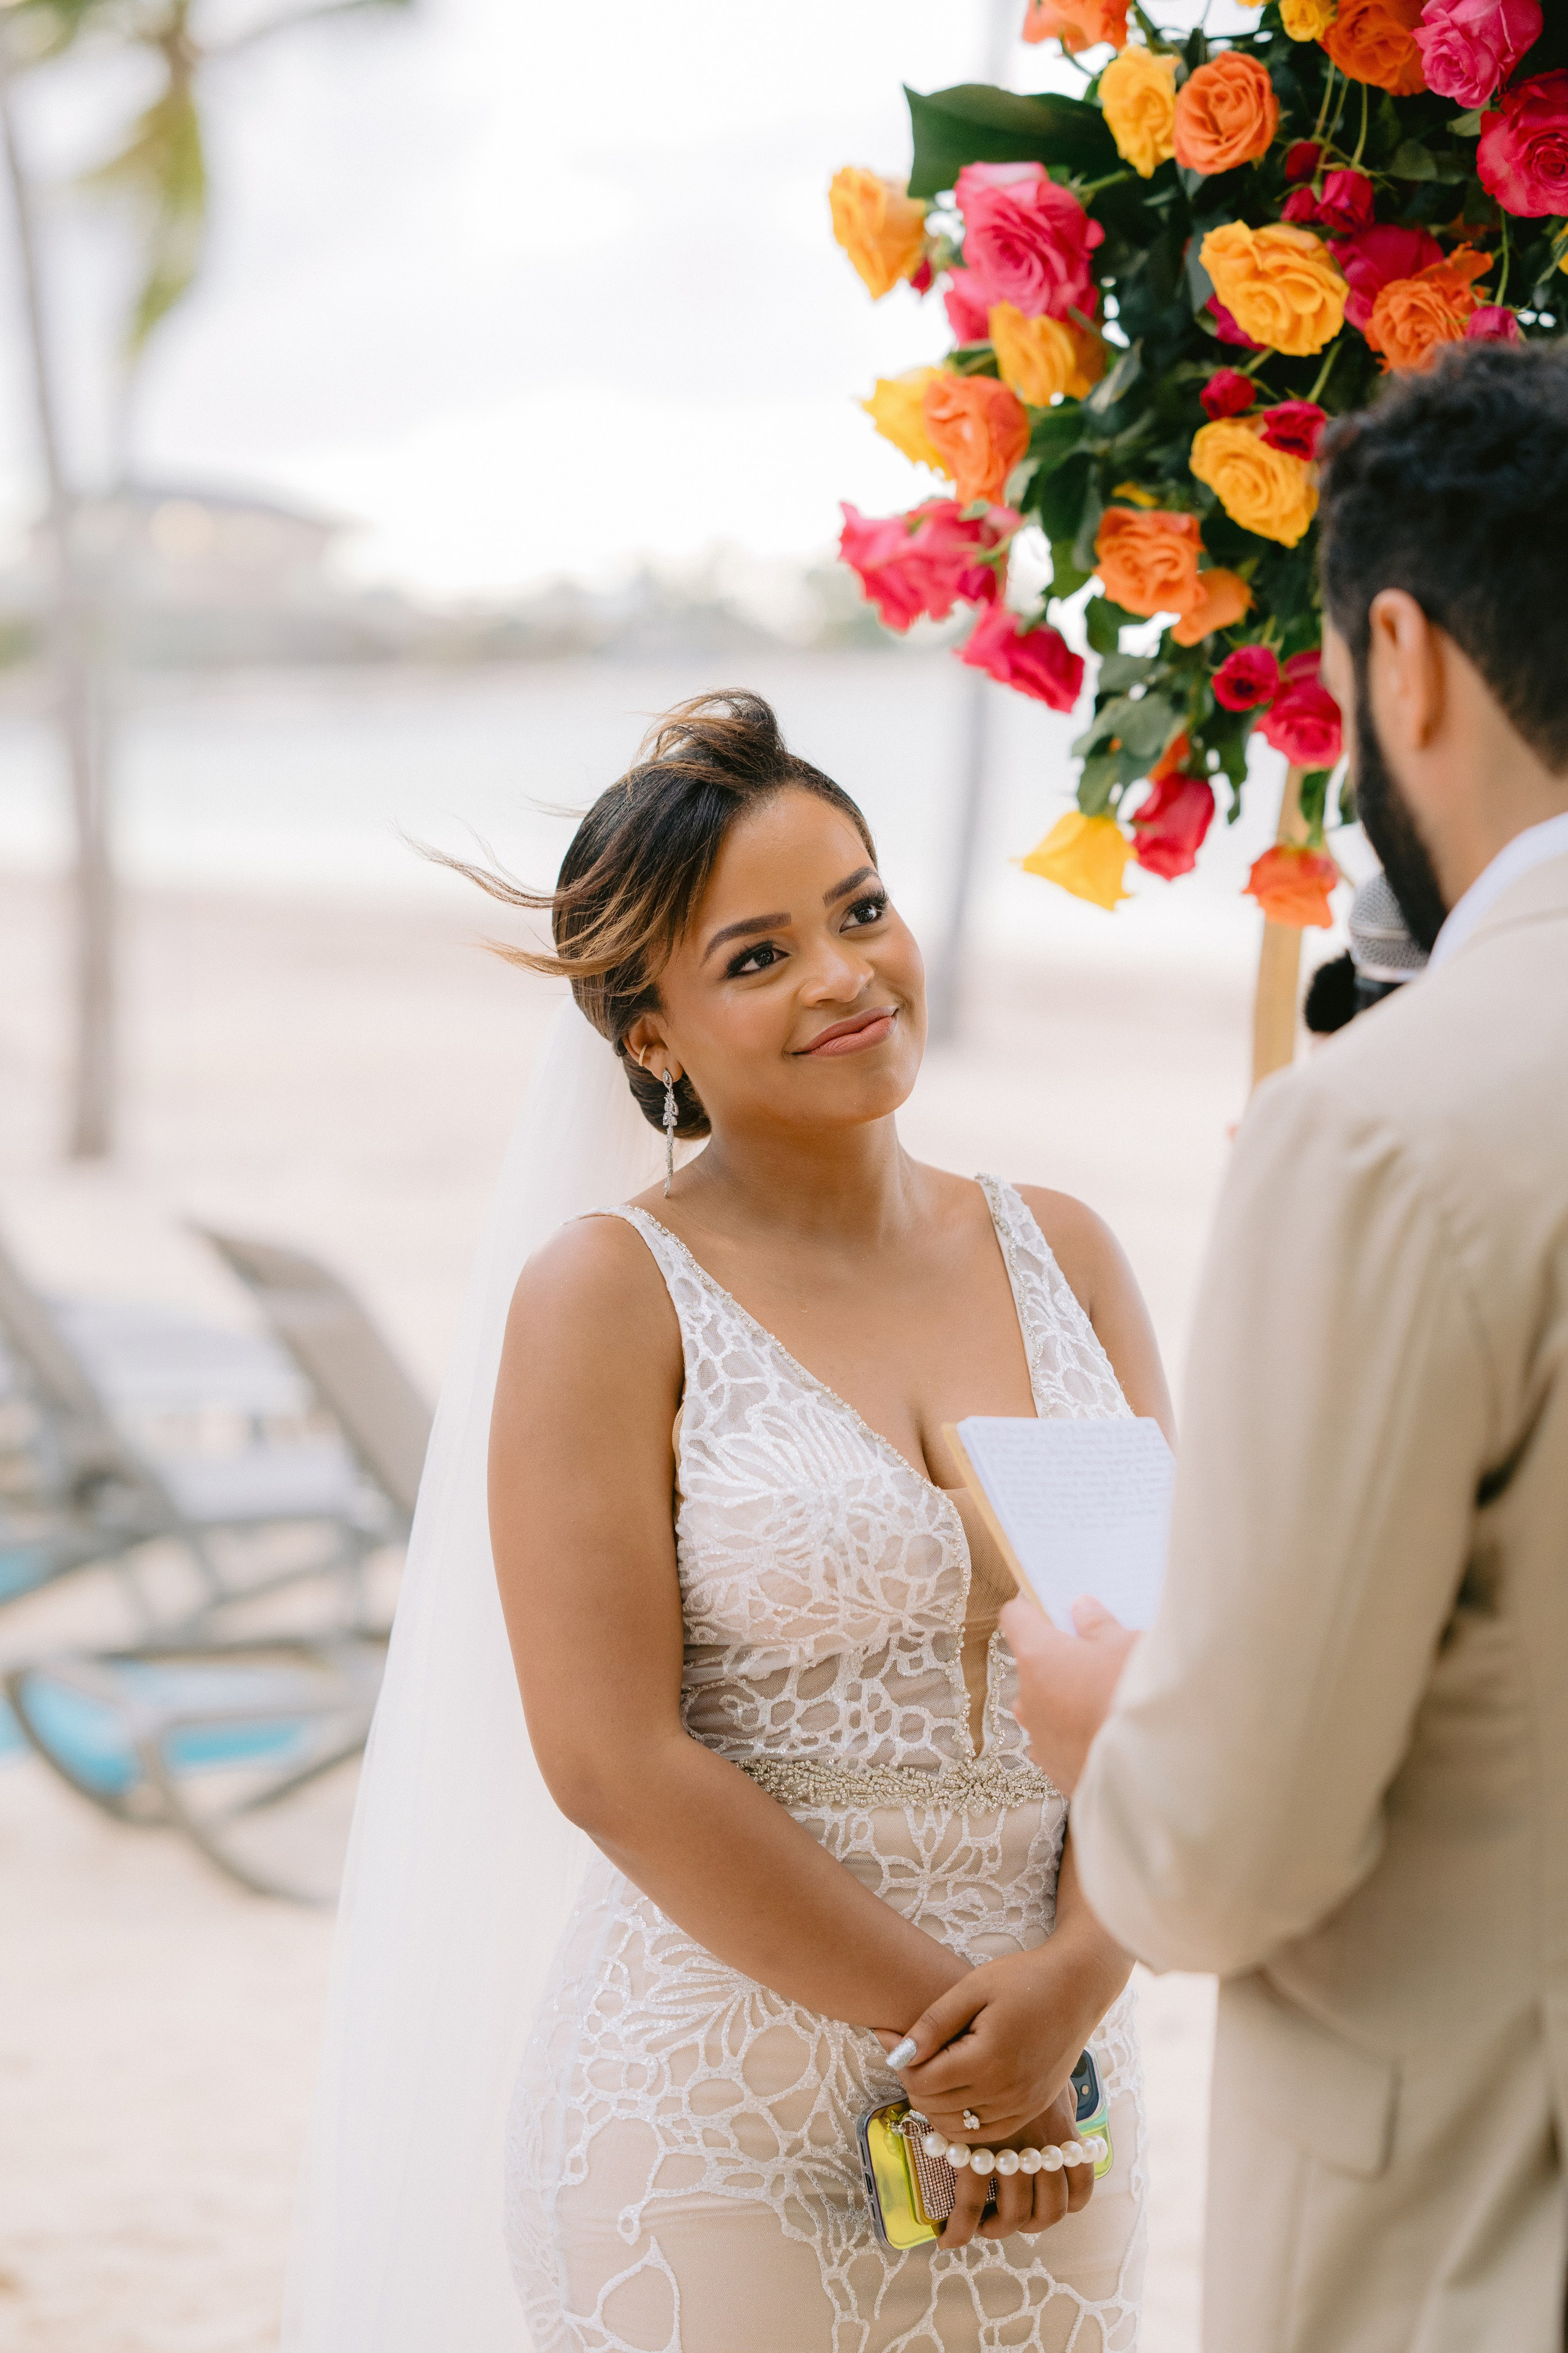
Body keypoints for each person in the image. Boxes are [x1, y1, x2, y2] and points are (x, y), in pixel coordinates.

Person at [283, 690, 1170, 2353]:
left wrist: (1075, 1987)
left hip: (1061, 2102)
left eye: (860, 907)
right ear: (653, 1039)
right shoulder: (612, 1295)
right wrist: (966, 2039)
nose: (846, 975)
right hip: (716, 2124)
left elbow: (1172, 1687)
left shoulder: (1071, 1253)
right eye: (757, 958)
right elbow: (610, 1758)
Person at [996, 341, 1568, 2353]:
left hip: (1486, 2234)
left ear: (1401, 654)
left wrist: (1101, 1719)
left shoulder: (1400, 1123)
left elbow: (1227, 1854)